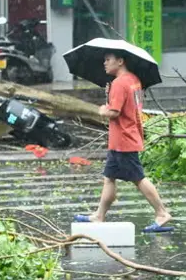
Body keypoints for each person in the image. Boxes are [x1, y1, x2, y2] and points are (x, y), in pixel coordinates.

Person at [74, 51, 173, 232]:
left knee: (138, 178)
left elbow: (114, 112)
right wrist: (110, 96)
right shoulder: (133, 79)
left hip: (123, 140)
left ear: (120, 61)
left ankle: (161, 212)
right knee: (109, 178)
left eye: (108, 60)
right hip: (125, 136)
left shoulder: (119, 83)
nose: (105, 63)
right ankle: (99, 215)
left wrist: (102, 110)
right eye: (104, 60)